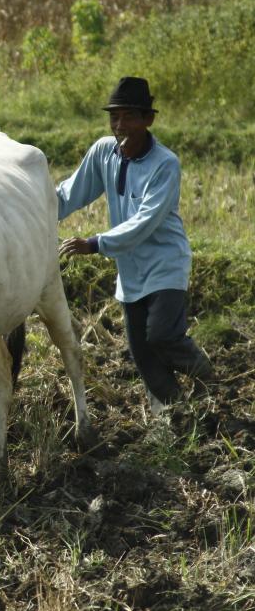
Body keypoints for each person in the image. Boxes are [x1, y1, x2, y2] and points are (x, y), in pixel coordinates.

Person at [56, 76, 213, 415]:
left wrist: (96, 243)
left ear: (148, 120)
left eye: (128, 117)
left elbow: (145, 221)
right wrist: (34, 213)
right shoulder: (103, 152)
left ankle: (206, 379)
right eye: (114, 117)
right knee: (142, 354)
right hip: (130, 272)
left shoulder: (165, 163)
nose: (119, 125)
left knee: (161, 336)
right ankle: (180, 414)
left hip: (165, 264)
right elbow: (70, 193)